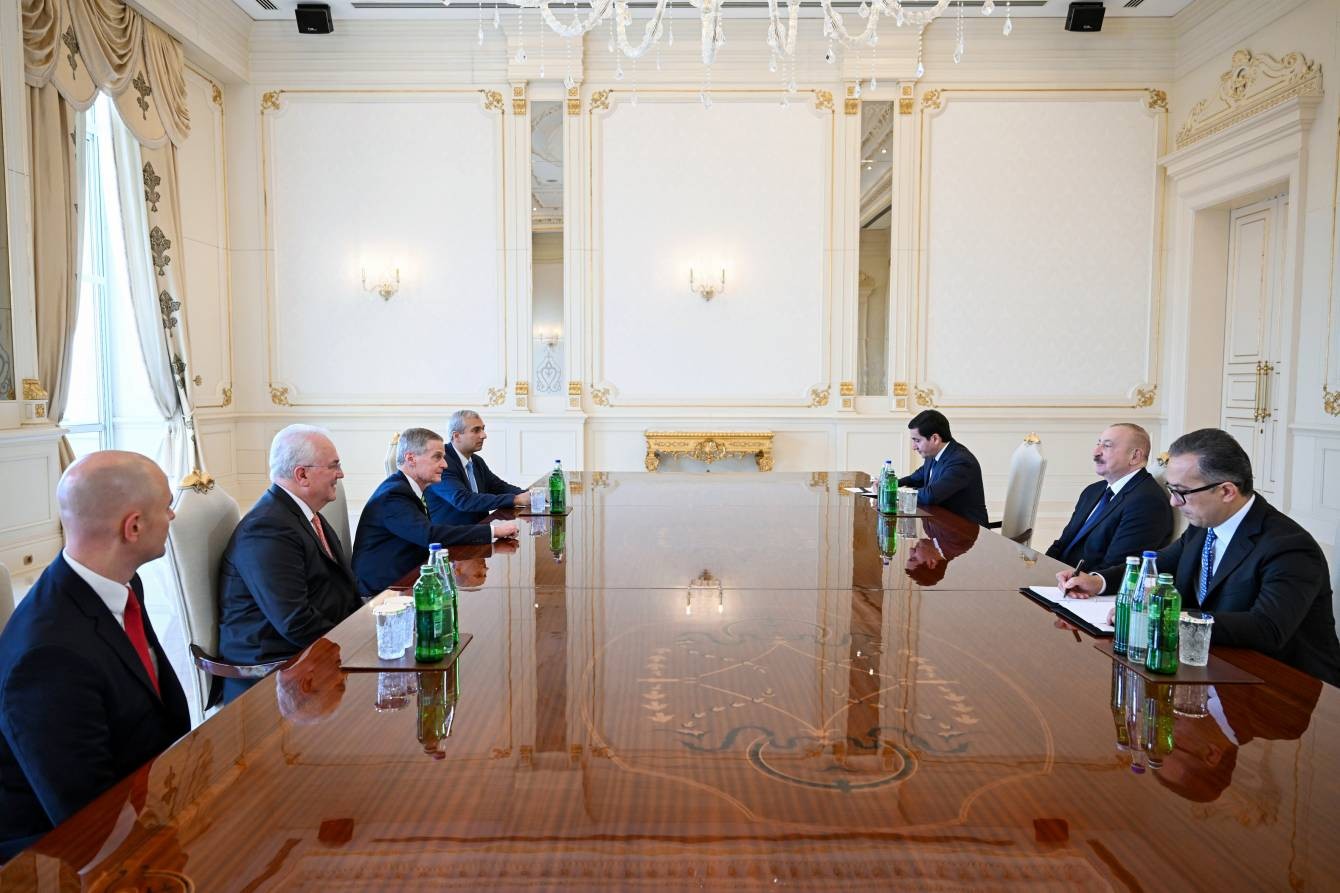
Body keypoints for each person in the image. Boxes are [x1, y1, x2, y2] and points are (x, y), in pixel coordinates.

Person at [0, 451, 189, 858]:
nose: (172, 518)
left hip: (149, 801)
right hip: (60, 858)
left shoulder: (120, 584)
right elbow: (88, 820)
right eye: (167, 507)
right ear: (133, 526)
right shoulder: (49, 657)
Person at [1059, 428, 1340, 686]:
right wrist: (1097, 581)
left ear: (1227, 491)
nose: (1173, 502)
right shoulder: (1204, 528)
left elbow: (1267, 628)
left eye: (1181, 493)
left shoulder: (1289, 547)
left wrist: (1161, 619)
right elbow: (1157, 563)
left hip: (1287, 692)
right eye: (1171, 490)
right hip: (1212, 670)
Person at [217, 425, 362, 703]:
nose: (340, 474)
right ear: (302, 474)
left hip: (314, 656)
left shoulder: (302, 515)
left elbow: (339, 589)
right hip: (283, 678)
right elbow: (296, 623)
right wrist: (359, 642)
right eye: (334, 466)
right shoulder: (268, 528)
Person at [353, 427, 519, 598]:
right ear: (411, 459)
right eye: (437, 457)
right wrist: (493, 531)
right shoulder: (393, 495)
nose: (445, 465)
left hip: (406, 582)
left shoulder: (408, 488)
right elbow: (429, 535)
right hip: (383, 594)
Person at [1046, 423, 1173, 568]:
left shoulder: (1147, 502)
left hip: (1086, 587)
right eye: (1098, 444)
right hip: (1057, 578)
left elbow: (1116, 567)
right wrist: (1041, 569)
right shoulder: (1092, 491)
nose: (1096, 452)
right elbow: (1063, 543)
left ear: (1134, 456)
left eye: (1107, 446)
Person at [426, 410, 529, 525]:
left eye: (483, 429)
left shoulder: (476, 461)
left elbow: (499, 487)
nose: (484, 435)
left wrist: (532, 495)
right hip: (453, 538)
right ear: (457, 436)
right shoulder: (441, 462)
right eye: (476, 430)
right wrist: (516, 500)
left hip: (480, 531)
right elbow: (463, 500)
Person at [897, 410, 989, 526]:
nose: (914, 447)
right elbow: (915, 478)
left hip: (965, 534)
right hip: (943, 528)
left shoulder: (961, 462)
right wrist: (892, 484)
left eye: (917, 441)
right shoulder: (933, 455)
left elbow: (930, 495)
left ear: (935, 439)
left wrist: (895, 493)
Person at [904, 516, 980, 586]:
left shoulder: (929, 532)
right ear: (931, 563)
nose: (911, 550)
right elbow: (929, 505)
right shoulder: (957, 541)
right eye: (914, 558)